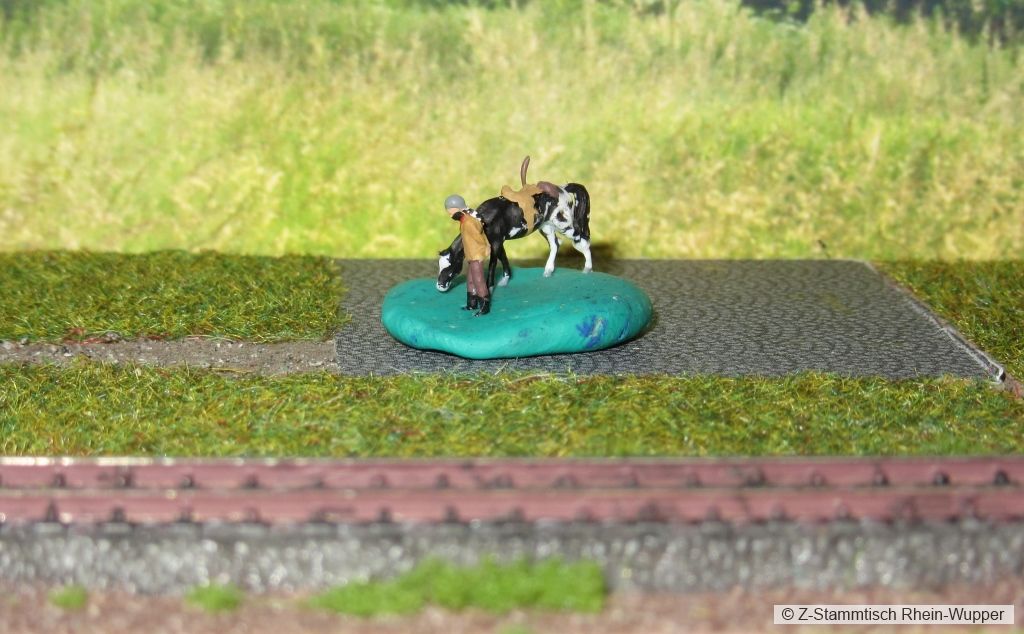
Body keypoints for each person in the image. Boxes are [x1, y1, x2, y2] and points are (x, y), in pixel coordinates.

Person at [444, 194, 491, 316]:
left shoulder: (469, 222)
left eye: (451, 212)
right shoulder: (464, 221)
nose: (450, 215)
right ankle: (472, 303)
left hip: (476, 255)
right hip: (470, 255)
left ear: (458, 209)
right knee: (470, 280)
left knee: (478, 280)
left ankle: (484, 306)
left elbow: (480, 237)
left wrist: (485, 249)